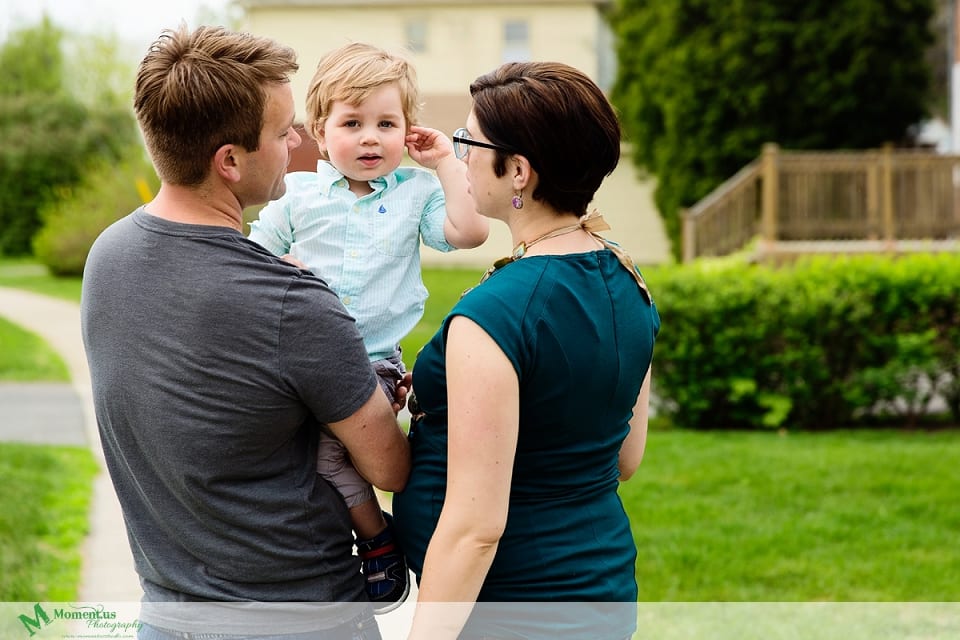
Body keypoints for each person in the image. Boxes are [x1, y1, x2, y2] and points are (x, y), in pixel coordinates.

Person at [80, 25, 410, 640]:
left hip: (166, 615)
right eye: (282, 131)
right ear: (229, 161)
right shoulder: (291, 302)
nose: (297, 141)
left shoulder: (109, 256)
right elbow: (389, 467)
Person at [392, 61, 661, 640]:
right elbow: (624, 458)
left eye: (469, 142)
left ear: (517, 170)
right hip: (601, 592)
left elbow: (474, 529)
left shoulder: (497, 315)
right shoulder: (629, 281)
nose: (461, 155)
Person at [247, 42, 488, 613]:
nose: (370, 138)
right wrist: (283, 268)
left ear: (408, 131)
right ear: (319, 132)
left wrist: (445, 163)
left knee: (333, 458)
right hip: (299, 362)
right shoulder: (297, 195)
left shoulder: (415, 193)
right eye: (352, 123)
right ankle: (307, 550)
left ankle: (377, 540)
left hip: (372, 362)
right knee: (289, 452)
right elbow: (252, 257)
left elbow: (469, 232)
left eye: (387, 123)